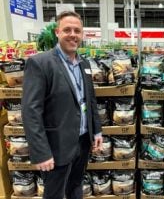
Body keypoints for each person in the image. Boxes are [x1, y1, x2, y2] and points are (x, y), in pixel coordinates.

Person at [22, 11, 103, 199]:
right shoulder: (40, 63)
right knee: (54, 194)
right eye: (67, 30)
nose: (73, 34)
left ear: (82, 35)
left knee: (76, 187)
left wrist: (96, 131)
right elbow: (30, 111)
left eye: (77, 30)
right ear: (57, 32)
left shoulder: (84, 64)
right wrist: (41, 152)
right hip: (56, 146)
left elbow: (90, 100)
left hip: (83, 142)